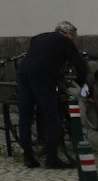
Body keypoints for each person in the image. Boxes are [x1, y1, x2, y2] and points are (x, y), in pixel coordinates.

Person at [15, 21, 88, 168]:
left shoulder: (39, 37)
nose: (74, 38)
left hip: (23, 75)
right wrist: (82, 82)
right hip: (42, 78)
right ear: (68, 33)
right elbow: (80, 64)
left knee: (25, 117)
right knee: (51, 118)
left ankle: (29, 157)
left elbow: (42, 55)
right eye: (73, 35)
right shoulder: (64, 41)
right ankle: (52, 159)